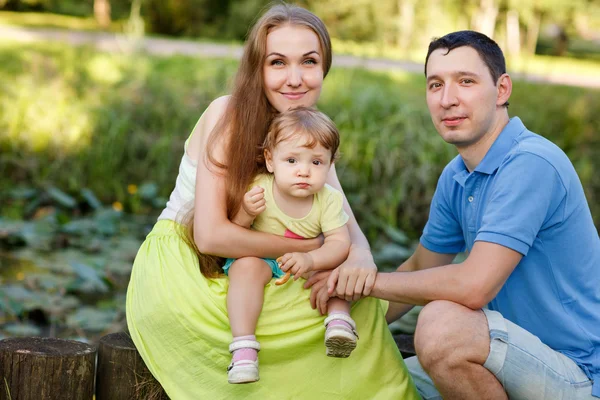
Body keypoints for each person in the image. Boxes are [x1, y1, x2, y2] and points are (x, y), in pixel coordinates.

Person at [126, 3, 419, 399]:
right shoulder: (228, 113)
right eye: (277, 62)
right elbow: (210, 237)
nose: (295, 79)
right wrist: (311, 248)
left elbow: (346, 226)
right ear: (257, 69)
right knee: (331, 297)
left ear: (324, 68)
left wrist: (360, 254)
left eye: (309, 62)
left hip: (260, 263)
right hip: (184, 266)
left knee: (346, 293)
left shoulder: (306, 133)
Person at [308, 30, 600, 400]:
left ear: (503, 89)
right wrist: (347, 322)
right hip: (505, 356)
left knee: (441, 327)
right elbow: (418, 268)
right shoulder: (458, 175)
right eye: (435, 85)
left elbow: (473, 287)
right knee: (367, 375)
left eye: (466, 81)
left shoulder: (532, 164)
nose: (447, 100)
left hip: (578, 372)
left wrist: (363, 280)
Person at [224, 107, 360, 384]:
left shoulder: (329, 199)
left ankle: (339, 322)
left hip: (309, 261)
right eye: (292, 160)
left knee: (339, 265)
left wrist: (312, 261)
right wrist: (246, 214)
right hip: (263, 258)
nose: (304, 171)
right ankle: (244, 348)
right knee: (245, 267)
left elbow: (338, 242)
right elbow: (236, 233)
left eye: (316, 163)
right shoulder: (259, 187)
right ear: (270, 160)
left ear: (330, 164)